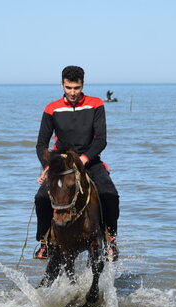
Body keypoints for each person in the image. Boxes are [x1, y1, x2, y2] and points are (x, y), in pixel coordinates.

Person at [34, 65, 120, 261]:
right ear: (62, 85)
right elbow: (41, 144)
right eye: (68, 88)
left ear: (82, 85)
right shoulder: (51, 108)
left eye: (76, 88)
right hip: (61, 163)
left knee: (110, 194)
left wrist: (83, 159)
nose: (72, 92)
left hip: (88, 160)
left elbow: (101, 140)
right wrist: (47, 167)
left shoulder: (96, 104)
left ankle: (110, 239)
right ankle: (44, 242)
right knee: (41, 199)